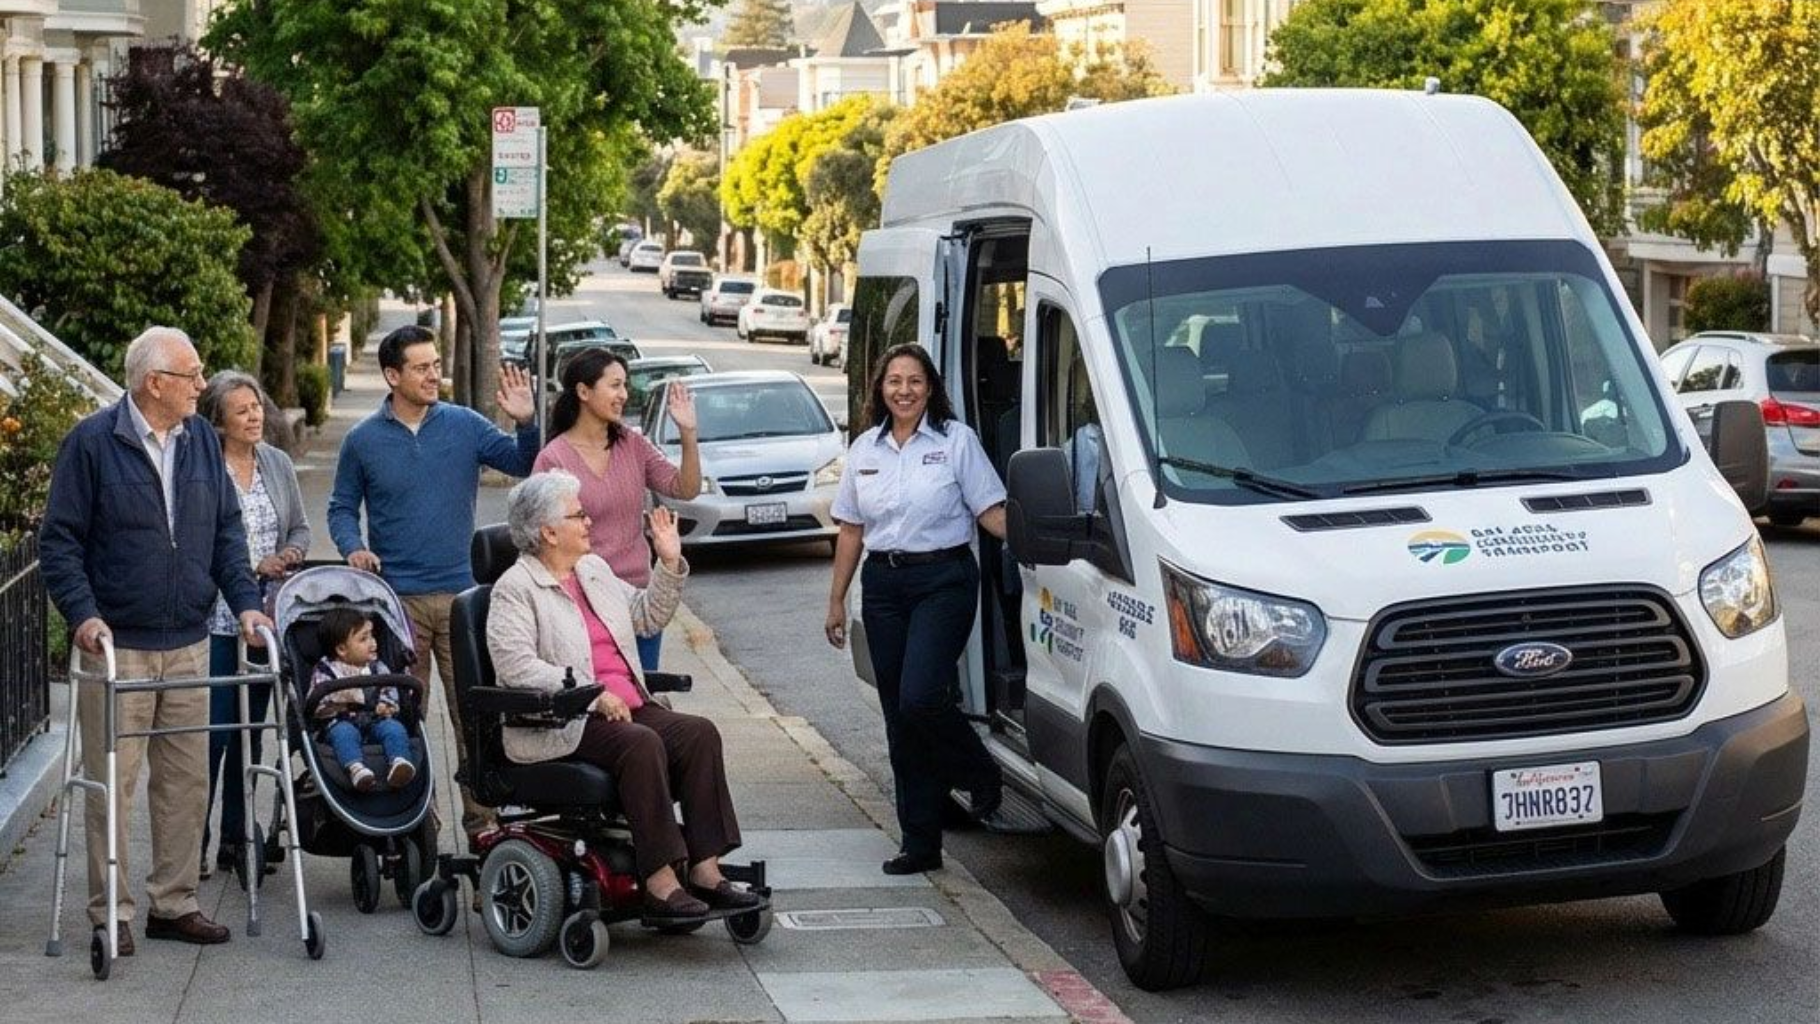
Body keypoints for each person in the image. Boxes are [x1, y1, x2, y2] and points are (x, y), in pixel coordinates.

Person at [39, 326, 275, 952]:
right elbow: (58, 542)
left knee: (185, 781)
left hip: (189, 639)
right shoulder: (93, 443)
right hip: (119, 646)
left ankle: (173, 904)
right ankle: (110, 912)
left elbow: (227, 531)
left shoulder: (199, 439)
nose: (204, 386)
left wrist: (247, 605)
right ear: (154, 384)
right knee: (113, 785)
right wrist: (84, 615)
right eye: (192, 376)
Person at [486, 471, 760, 919]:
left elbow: (647, 616)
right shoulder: (515, 589)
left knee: (698, 734)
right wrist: (590, 695)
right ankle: (659, 879)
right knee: (641, 744)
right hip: (564, 721)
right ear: (548, 531)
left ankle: (706, 870)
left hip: (626, 706)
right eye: (578, 514)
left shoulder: (591, 570)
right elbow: (516, 667)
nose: (589, 521)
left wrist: (668, 563)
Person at [328, 324, 539, 844]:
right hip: (397, 606)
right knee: (402, 717)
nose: (433, 375)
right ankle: (416, 824)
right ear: (391, 375)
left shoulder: (464, 425)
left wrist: (528, 422)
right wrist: (352, 546)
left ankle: (483, 828)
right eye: (421, 367)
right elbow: (339, 507)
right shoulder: (363, 441)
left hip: (465, 603)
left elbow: (522, 463)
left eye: (435, 365)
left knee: (475, 720)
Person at [823, 343, 1008, 876]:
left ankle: (978, 771)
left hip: (944, 579)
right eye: (894, 381)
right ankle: (920, 843)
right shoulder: (865, 449)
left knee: (921, 698)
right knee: (899, 720)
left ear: (930, 387)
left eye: (915, 381)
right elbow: (852, 529)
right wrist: (836, 600)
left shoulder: (956, 441)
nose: (904, 390)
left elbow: (991, 512)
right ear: (881, 388)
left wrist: (1041, 540)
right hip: (884, 584)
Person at [195, 370, 311, 879]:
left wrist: (289, 552)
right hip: (215, 621)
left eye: (257, 406)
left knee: (251, 735)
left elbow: (301, 527)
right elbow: (199, 544)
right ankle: (190, 846)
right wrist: (248, 565)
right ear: (217, 420)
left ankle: (238, 841)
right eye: (242, 410)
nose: (255, 416)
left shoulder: (277, 463)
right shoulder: (201, 469)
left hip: (264, 621)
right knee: (214, 737)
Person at [533, 347, 701, 670]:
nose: (623, 394)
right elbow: (539, 539)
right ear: (583, 391)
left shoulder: (632, 444)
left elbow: (686, 488)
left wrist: (688, 434)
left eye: (625, 385)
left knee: (645, 698)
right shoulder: (553, 459)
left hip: (640, 602)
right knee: (606, 706)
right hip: (583, 605)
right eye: (614, 385)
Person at [309, 607, 414, 792]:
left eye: (372, 636)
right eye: (363, 639)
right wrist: (338, 704)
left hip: (375, 722)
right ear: (342, 649)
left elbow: (390, 691)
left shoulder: (378, 667)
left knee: (394, 728)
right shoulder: (326, 671)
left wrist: (387, 705)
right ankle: (356, 768)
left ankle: (399, 762)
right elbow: (317, 705)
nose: (373, 643)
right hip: (340, 723)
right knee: (344, 733)